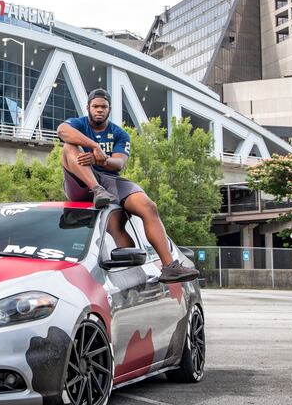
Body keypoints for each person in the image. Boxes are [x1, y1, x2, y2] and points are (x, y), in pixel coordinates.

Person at [57, 88, 199, 282]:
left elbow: (119, 163)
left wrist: (101, 158)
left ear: (109, 109)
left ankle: (168, 267)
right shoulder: (78, 123)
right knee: (68, 146)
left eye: (104, 107)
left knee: (145, 207)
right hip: (81, 181)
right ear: (88, 108)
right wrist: (95, 146)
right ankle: (96, 190)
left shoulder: (119, 133)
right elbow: (62, 131)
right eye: (95, 106)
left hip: (110, 179)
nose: (99, 110)